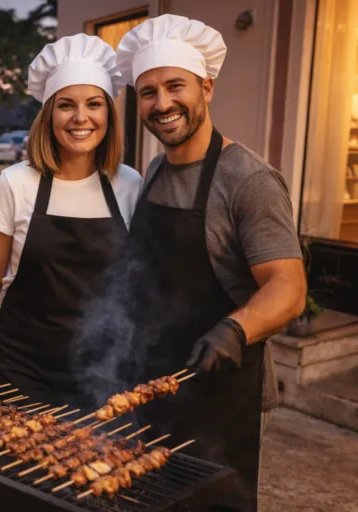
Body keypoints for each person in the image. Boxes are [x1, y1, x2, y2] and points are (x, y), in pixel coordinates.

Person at [113, 14, 306, 511]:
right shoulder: (155, 170)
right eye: (148, 92)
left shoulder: (249, 179)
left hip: (222, 389)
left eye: (175, 86)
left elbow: (288, 287)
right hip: (154, 382)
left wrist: (235, 330)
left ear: (206, 88)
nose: (162, 104)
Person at [0, 34, 143, 407]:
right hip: (17, 366)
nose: (80, 118)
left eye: (93, 104)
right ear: (49, 115)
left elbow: (140, 285)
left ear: (109, 113)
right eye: (66, 105)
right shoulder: (15, 183)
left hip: (100, 371)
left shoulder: (130, 185)